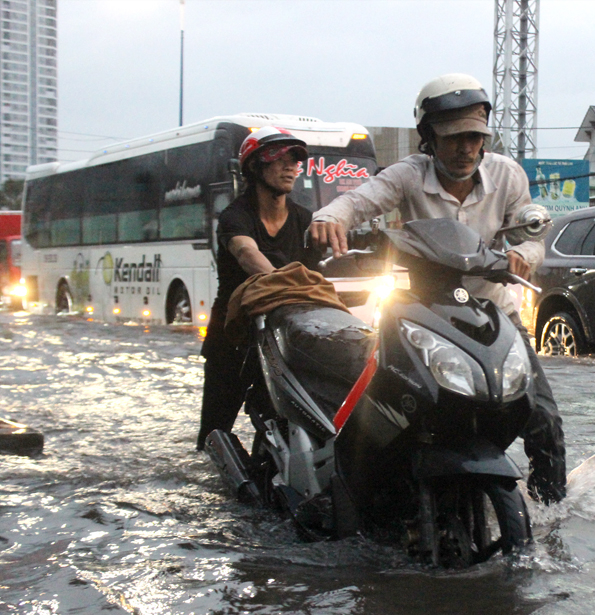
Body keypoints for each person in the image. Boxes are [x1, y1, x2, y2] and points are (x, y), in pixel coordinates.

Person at [309, 73, 567, 504]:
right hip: (423, 316)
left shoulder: (507, 175)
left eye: (474, 137)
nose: (465, 148)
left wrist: (525, 256)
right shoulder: (408, 175)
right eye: (452, 138)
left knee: (542, 418)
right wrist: (329, 218)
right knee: (384, 409)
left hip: (494, 315)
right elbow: (359, 200)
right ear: (428, 138)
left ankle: (551, 519)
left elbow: (531, 235)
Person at [197, 126, 320, 451]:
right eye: (280, 159)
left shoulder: (305, 220)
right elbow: (247, 254)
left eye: (295, 159)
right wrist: (289, 286)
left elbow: (325, 270)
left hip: (284, 341)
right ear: (254, 167)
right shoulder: (234, 217)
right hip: (233, 340)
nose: (291, 166)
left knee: (283, 429)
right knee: (213, 433)